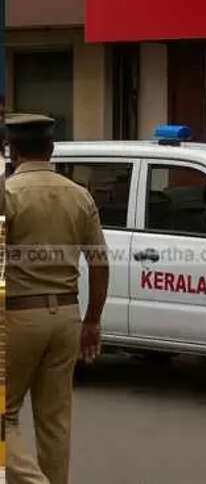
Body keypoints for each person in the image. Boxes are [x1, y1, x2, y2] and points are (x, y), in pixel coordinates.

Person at [3, 113, 109, 484]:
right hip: (66, 315)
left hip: (17, 317)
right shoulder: (79, 195)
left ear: (12, 150)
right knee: (55, 422)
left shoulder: (9, 194)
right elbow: (100, 263)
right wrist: (92, 320)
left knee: (4, 416)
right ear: (50, 149)